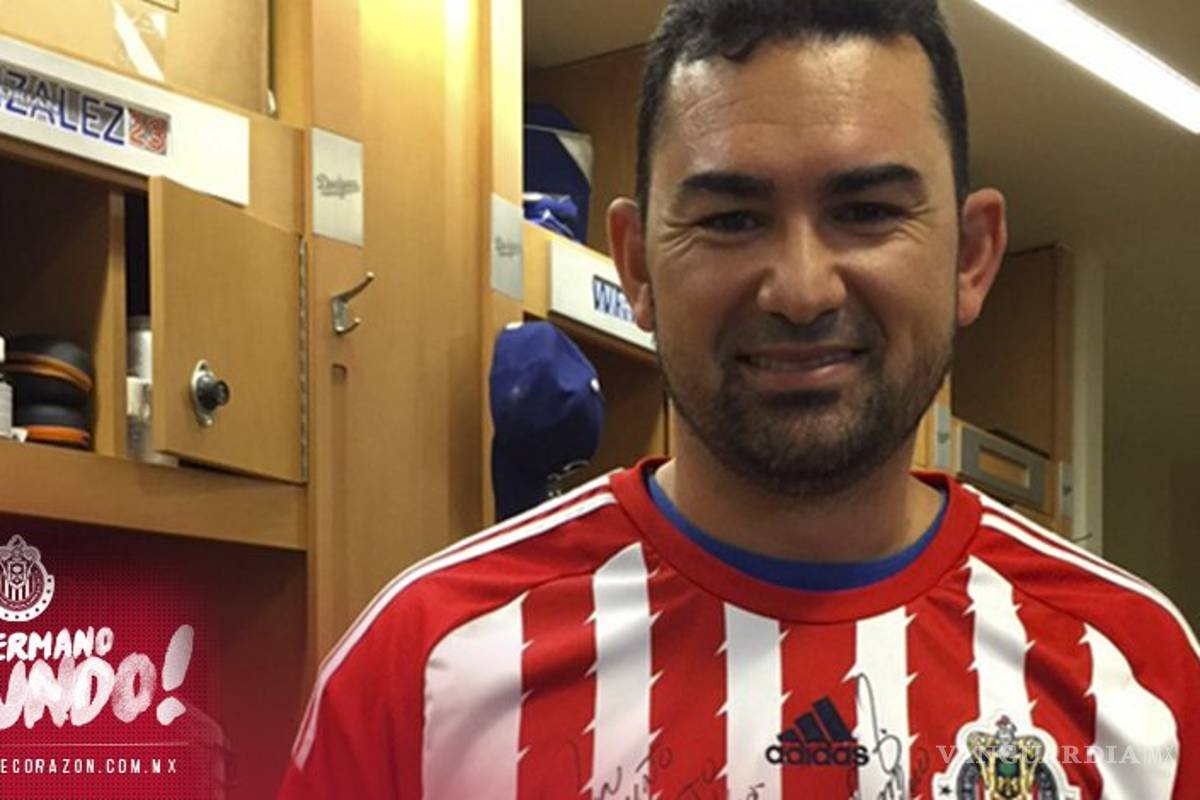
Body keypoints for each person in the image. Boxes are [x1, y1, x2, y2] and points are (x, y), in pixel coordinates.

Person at [279, 1, 1199, 797]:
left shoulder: (1142, 678)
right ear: (638, 266)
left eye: (867, 212)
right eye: (731, 219)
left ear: (971, 256)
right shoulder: (422, 670)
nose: (800, 289)